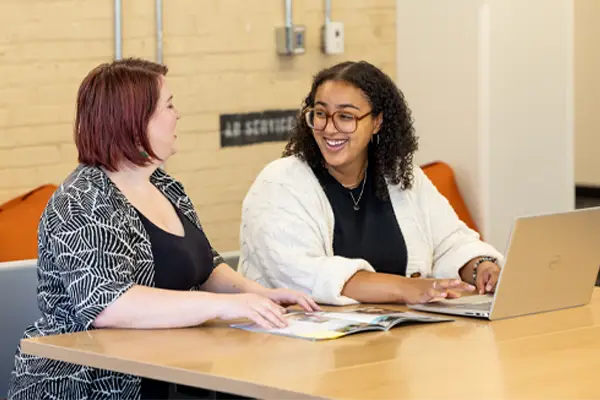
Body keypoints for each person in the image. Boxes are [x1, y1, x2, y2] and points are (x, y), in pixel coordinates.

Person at [8, 58, 319, 400]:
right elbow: (108, 304)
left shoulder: (165, 185)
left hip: (170, 366)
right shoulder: (82, 199)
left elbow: (205, 265)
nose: (177, 115)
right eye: (168, 106)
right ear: (134, 121)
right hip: (91, 384)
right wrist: (222, 307)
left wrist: (258, 295)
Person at [239, 61, 504, 306]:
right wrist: (405, 288)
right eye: (321, 114)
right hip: (294, 346)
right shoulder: (279, 184)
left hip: (394, 338)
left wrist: (481, 266)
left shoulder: (400, 176)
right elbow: (308, 275)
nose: (329, 129)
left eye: (346, 117)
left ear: (377, 122)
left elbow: (451, 242)